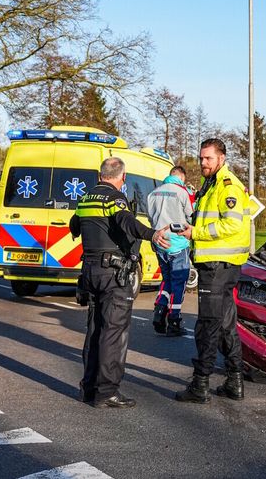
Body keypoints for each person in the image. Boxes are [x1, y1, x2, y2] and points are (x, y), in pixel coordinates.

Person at [71, 157, 170, 409]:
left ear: (99, 174)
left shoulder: (84, 199)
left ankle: (89, 388)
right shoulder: (115, 199)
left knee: (94, 330)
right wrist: (152, 234)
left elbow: (74, 226)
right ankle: (107, 392)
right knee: (113, 333)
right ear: (122, 177)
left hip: (90, 271)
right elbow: (126, 221)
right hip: (113, 274)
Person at [176, 138, 250, 404]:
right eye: (201, 158)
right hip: (222, 266)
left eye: (208, 158)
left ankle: (200, 385)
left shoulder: (226, 185)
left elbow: (232, 225)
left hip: (217, 267)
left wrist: (196, 232)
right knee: (226, 325)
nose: (203, 163)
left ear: (221, 157)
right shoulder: (214, 184)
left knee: (207, 326)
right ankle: (235, 381)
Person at [148, 165, 194, 337]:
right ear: (181, 177)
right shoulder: (182, 193)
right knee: (178, 282)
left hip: (160, 243)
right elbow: (190, 217)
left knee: (166, 279)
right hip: (178, 243)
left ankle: (159, 311)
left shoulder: (154, 193)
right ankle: (174, 321)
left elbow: (150, 217)